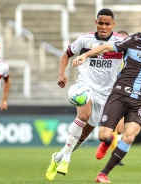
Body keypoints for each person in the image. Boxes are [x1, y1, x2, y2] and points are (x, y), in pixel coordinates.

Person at [72, 14, 141, 183]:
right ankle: (107, 141)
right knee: (104, 135)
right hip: (120, 94)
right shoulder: (134, 40)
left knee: (129, 135)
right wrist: (85, 56)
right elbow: (106, 47)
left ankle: (103, 174)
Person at [45, 8, 125, 181]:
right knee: (83, 115)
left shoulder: (120, 42)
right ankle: (66, 159)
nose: (104, 27)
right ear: (95, 22)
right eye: (101, 23)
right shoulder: (84, 39)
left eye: (107, 24)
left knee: (83, 135)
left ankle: (57, 157)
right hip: (85, 85)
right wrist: (61, 74)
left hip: (106, 94)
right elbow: (66, 55)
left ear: (113, 25)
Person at [110, 30, 129, 166]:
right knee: (115, 127)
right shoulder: (113, 55)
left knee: (121, 129)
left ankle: (109, 142)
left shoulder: (131, 56)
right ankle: (115, 155)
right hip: (112, 93)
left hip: (125, 92)